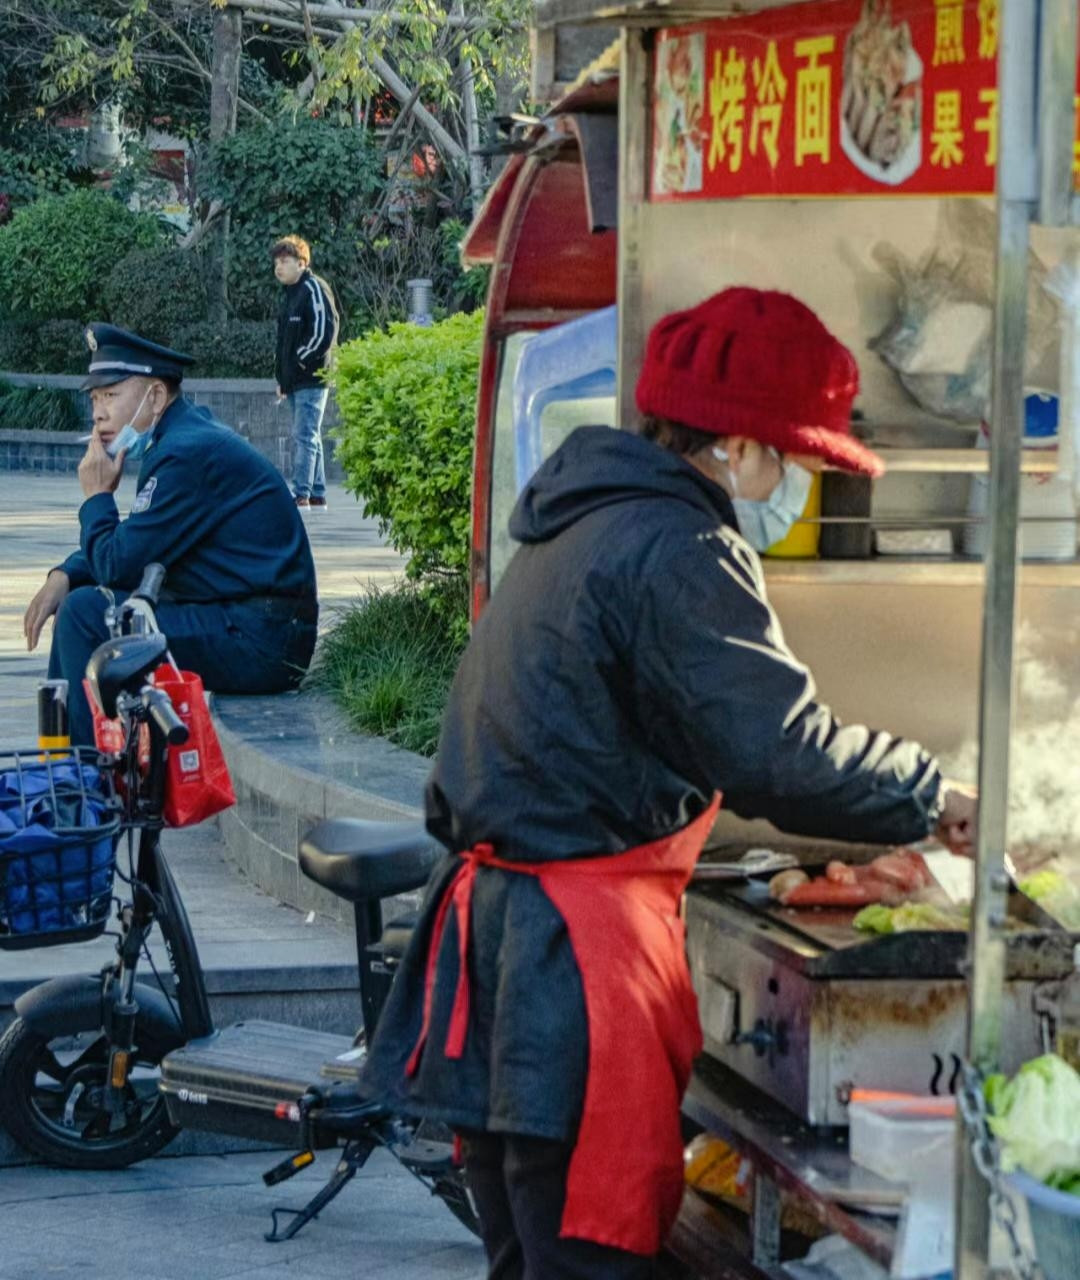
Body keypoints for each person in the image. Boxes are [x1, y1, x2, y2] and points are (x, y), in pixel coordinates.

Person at [359, 288, 978, 1278]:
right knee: (587, 1255)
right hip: (575, 965)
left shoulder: (577, 519)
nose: (795, 485)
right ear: (736, 447)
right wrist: (933, 793)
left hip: (503, 949)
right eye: (795, 459)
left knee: (529, 1248)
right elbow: (780, 749)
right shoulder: (682, 544)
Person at [23, 323, 319, 747]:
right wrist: (66, 573)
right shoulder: (182, 437)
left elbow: (116, 564)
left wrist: (96, 498)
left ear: (156, 397)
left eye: (111, 395)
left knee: (85, 614)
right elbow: (142, 540)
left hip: (261, 640)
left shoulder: (185, 454)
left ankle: (80, 783)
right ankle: (67, 769)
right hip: (248, 622)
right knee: (82, 603)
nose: (98, 413)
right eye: (94, 398)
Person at [272, 234, 340, 511]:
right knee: (308, 434)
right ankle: (316, 491)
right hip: (295, 379)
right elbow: (282, 342)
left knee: (305, 434)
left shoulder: (314, 288)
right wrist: (282, 378)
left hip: (313, 377)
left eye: (285, 261)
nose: (279, 267)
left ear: (301, 263)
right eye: (276, 262)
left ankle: (301, 492)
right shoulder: (289, 295)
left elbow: (325, 331)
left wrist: (300, 361)